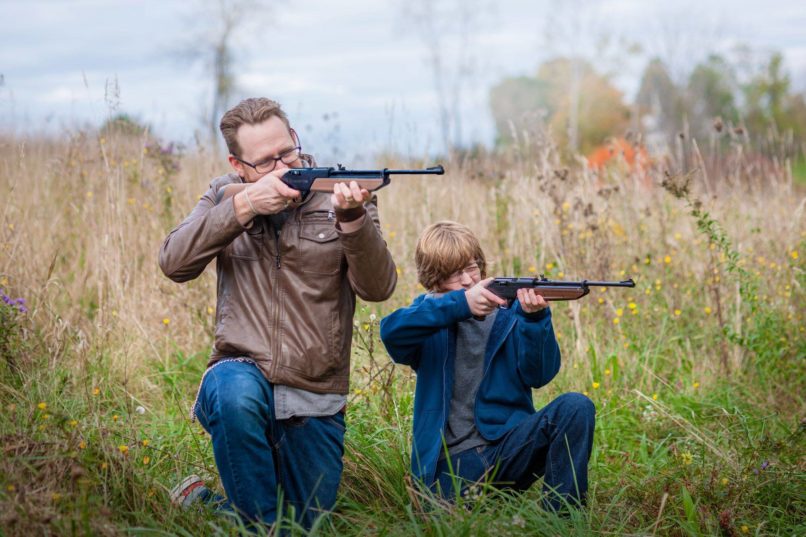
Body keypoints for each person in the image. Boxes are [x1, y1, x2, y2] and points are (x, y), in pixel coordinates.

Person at [159, 97, 397, 528]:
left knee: (303, 523)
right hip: (239, 372)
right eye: (266, 162)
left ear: (295, 138)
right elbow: (174, 263)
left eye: (287, 151)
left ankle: (209, 506)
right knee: (235, 394)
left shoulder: (339, 194)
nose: (284, 167)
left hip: (314, 394)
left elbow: (378, 288)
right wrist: (245, 207)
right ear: (239, 165)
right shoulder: (223, 195)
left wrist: (353, 220)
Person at [379, 221, 595, 511]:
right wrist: (461, 304)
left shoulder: (511, 314)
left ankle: (561, 521)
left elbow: (540, 374)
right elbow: (390, 331)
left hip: (508, 450)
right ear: (435, 278)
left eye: (471, 268)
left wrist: (535, 320)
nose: (468, 280)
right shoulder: (429, 316)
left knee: (575, 407)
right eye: (455, 274)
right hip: (453, 467)